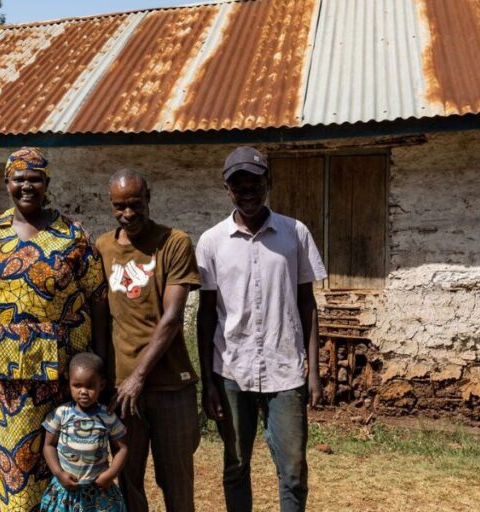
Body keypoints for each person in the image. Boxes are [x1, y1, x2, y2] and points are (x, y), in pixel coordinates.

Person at [0, 147, 109, 511]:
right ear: (6, 182)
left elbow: (99, 302)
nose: (27, 185)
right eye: (19, 178)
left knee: (63, 464)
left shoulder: (72, 236)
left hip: (61, 375)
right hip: (2, 379)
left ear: (47, 182)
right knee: (12, 469)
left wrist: (103, 366)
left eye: (35, 178)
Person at [195, 147, 326, 512]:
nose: (247, 191)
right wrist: (208, 382)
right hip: (231, 371)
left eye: (255, 183)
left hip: (285, 370)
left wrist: (313, 372)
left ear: (268, 183)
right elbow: (206, 316)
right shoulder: (211, 242)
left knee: (294, 470)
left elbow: (307, 305)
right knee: (236, 465)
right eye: (239, 185)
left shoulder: (294, 233)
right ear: (227, 190)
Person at [94, 169, 202, 512]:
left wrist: (138, 377)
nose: (128, 214)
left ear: (149, 198)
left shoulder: (174, 243)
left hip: (170, 387)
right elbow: (99, 317)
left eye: (136, 204)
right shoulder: (103, 247)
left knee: (177, 483)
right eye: (119, 206)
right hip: (120, 392)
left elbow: (171, 319)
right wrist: (104, 382)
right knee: (127, 483)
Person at [40, 352, 128, 512]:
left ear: (101, 385)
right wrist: (59, 474)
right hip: (67, 491)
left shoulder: (107, 416)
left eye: (90, 386)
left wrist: (110, 475)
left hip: (99, 491)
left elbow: (121, 448)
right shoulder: (61, 414)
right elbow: (49, 445)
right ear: (69, 385)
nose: (83, 391)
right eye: (77, 385)